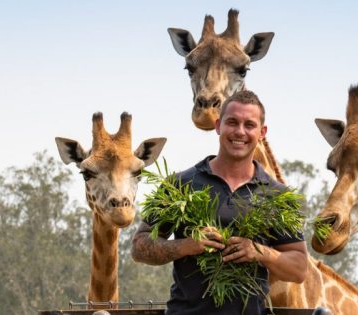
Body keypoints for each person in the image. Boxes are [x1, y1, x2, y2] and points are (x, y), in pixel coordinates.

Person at [131, 90, 308, 315]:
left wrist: (258, 251)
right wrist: (185, 245)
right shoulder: (179, 184)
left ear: (262, 133)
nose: (240, 132)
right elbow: (139, 247)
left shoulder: (276, 196)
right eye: (232, 122)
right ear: (218, 126)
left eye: (249, 125)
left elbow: (299, 269)